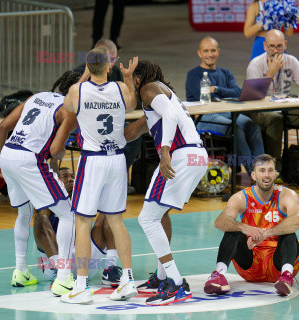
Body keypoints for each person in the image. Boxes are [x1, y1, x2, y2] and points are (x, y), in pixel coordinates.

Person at [0, 71, 83, 295]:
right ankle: (63, 277)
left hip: (9, 154)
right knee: (67, 213)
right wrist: (59, 149)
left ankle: (21, 271)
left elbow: (3, 126)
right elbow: (54, 151)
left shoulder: (36, 97)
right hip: (30, 159)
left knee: (24, 213)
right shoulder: (68, 110)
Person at [126, 59, 208, 305]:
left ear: (138, 79)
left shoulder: (148, 89)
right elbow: (131, 132)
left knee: (146, 218)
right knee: (160, 214)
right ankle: (162, 276)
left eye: (130, 79)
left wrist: (164, 150)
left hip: (180, 154)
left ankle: (176, 282)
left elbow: (170, 115)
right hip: (196, 156)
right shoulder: (159, 95)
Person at [60, 48, 138, 304]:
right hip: (117, 159)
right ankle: (127, 280)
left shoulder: (77, 90)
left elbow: (67, 107)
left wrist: (83, 77)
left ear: (87, 66)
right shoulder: (119, 88)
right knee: (116, 221)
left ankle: (81, 286)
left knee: (82, 221)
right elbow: (133, 105)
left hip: (92, 160)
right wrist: (127, 78)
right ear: (109, 66)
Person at [203, 154, 299, 296]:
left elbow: (298, 220)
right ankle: (219, 275)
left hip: (278, 264)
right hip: (250, 266)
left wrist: (265, 234)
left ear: (275, 174)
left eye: (270, 170)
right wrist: (245, 228)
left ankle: (287, 276)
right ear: (253, 175)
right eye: (262, 171)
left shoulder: (287, 195)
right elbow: (220, 222)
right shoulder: (241, 197)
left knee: (289, 232)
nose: (266, 175)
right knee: (233, 229)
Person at [246, 29, 299, 171]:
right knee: (275, 118)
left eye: (279, 46)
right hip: (259, 109)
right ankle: (275, 168)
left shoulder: (291, 61)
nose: (275, 50)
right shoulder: (256, 64)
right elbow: (253, 96)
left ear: (285, 45)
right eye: (272, 46)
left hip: (284, 107)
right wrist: (272, 71)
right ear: (265, 46)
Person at [186, 36, 264, 173]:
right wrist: (225, 93)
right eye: (206, 51)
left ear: (218, 52)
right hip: (205, 118)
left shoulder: (225, 73)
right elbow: (202, 96)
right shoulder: (193, 75)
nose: (210, 54)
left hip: (228, 114)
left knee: (253, 126)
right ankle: (255, 173)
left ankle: (262, 168)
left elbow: (238, 92)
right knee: (236, 129)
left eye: (213, 50)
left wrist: (216, 89)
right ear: (199, 53)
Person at [34, 167, 122, 287]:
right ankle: (59, 271)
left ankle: (110, 268)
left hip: (85, 262)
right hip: (58, 261)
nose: (70, 180)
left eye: (72, 177)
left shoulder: (82, 198)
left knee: (109, 212)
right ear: (57, 181)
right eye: (65, 177)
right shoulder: (50, 202)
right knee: (40, 219)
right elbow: (42, 223)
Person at [74, 39, 141, 182]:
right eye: (107, 59)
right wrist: (86, 74)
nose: (110, 64)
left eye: (113, 59)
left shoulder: (115, 72)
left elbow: (130, 106)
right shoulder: (80, 73)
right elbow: (68, 100)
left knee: (137, 133)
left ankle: (119, 176)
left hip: (107, 128)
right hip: (85, 127)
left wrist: (128, 78)